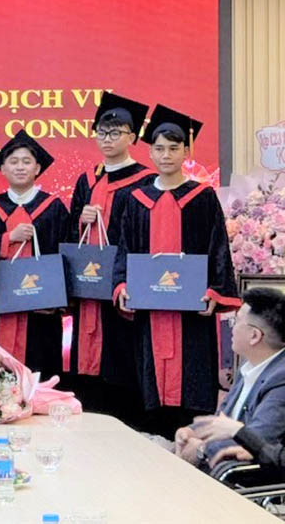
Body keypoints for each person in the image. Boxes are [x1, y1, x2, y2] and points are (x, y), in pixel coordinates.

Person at [114, 105, 240, 436]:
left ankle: (193, 448)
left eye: (174, 148)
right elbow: (125, 248)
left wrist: (215, 290)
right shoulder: (136, 199)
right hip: (149, 310)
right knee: (149, 387)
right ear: (150, 152)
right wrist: (122, 285)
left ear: (186, 151)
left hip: (191, 311)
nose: (166, 155)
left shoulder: (202, 197)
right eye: (159, 148)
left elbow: (218, 246)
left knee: (192, 381)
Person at [64, 93, 155, 422]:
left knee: (121, 354)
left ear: (132, 137)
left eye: (116, 132)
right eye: (102, 132)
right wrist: (81, 220)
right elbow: (70, 234)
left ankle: (128, 423)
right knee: (87, 358)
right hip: (89, 285)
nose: (107, 139)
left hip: (122, 284)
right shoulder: (87, 179)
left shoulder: (146, 180)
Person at [0, 130, 69, 376]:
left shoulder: (54, 208)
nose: (20, 167)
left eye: (26, 162)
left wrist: (59, 301)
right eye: (13, 161)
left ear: (37, 168)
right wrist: (8, 239)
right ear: (3, 168)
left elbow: (65, 257)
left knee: (41, 368)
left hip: (42, 308)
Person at [171, 287, 285, 467]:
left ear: (254, 336)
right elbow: (222, 419)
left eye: (236, 321)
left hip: (242, 476)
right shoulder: (248, 365)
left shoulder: (280, 379)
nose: (231, 327)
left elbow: (256, 442)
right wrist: (190, 432)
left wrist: (201, 450)